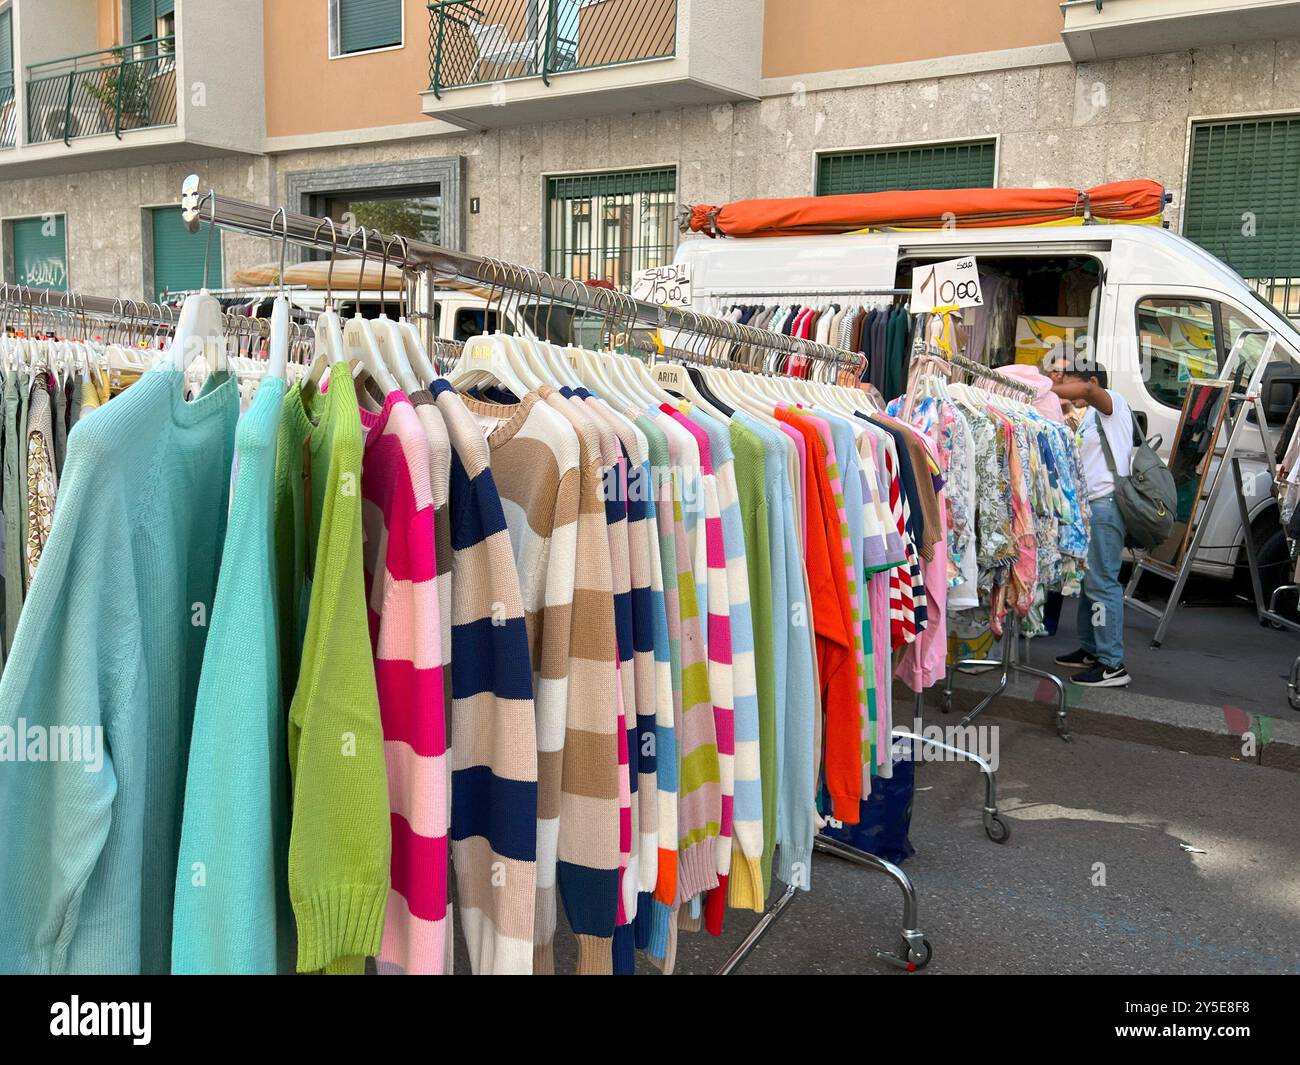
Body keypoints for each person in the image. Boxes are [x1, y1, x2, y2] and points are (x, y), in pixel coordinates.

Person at [1048, 359, 1134, 688]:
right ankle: (1091, 648)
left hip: (1106, 507)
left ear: (1092, 381)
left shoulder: (1113, 403)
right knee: (1090, 581)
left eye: (1066, 379)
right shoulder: (1090, 417)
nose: (1062, 384)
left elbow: (1085, 390)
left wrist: (1045, 388)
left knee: (1102, 583)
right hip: (1091, 508)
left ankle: (1112, 664)